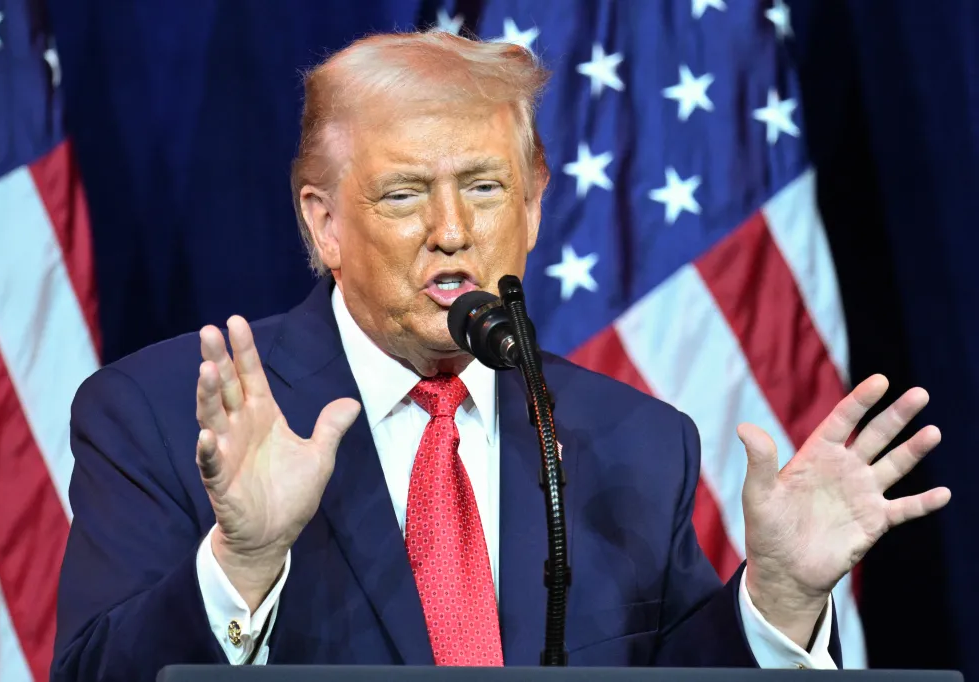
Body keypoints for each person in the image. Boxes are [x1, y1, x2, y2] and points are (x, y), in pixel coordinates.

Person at [52, 31, 950, 680]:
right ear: (322, 223)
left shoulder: (632, 440)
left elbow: (680, 675)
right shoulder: (165, 414)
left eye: (484, 188)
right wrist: (242, 560)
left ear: (530, 206)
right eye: (405, 195)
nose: (452, 232)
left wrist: (781, 600)